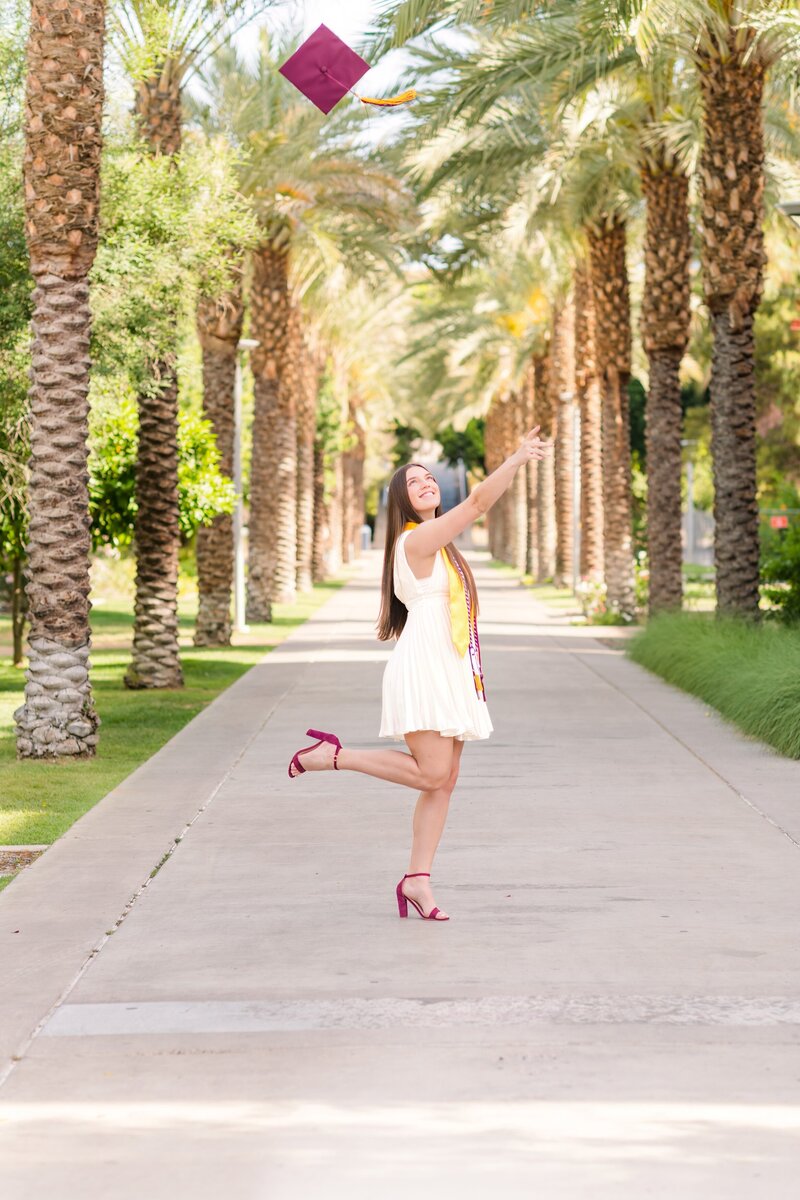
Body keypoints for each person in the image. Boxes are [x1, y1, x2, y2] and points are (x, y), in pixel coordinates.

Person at [288, 425, 550, 921]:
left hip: (450, 668)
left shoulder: (441, 547)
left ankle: (417, 880)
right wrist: (515, 460)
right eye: (415, 482)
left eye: (430, 477)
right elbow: (475, 505)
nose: (427, 483)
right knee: (431, 772)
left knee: (443, 782)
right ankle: (333, 756)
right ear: (402, 501)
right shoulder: (417, 540)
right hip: (425, 668)